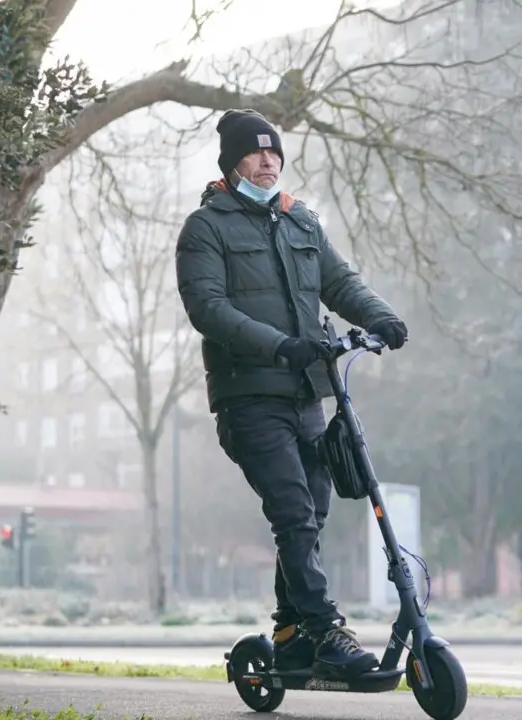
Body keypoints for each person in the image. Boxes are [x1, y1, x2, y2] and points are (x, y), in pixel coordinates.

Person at [174, 109, 409, 678]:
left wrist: (382, 318)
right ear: (232, 164)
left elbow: (340, 281)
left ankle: (289, 630)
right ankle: (326, 631)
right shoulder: (206, 229)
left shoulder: (300, 220)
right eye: (255, 154)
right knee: (294, 510)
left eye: (274, 153)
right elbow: (209, 309)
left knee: (316, 508)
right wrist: (281, 346)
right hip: (248, 398)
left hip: (306, 393)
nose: (268, 160)